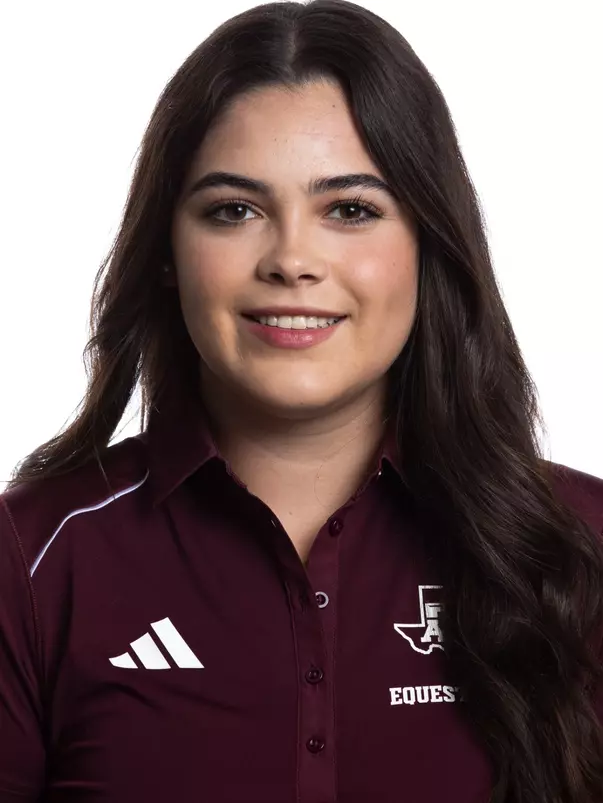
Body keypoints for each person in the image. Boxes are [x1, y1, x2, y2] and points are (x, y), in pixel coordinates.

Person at [1, 1, 602, 801]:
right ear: (168, 253)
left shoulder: (579, 544)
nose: (291, 258)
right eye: (234, 210)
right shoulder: (29, 560)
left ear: (428, 245)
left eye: (349, 210)